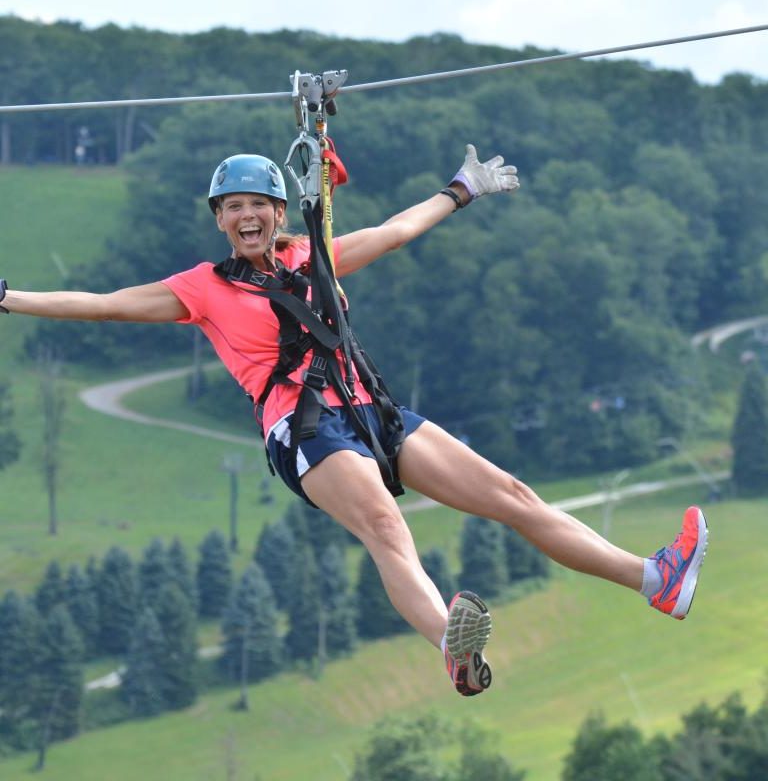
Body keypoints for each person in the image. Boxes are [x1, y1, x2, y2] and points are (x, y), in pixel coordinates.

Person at [0, 145, 708, 697]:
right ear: (218, 218)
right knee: (385, 527)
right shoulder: (203, 289)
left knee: (514, 497)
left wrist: (460, 190)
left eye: (258, 204)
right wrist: (10, 298)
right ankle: (452, 647)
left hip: (373, 410)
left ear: (279, 211)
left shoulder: (313, 257)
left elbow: (394, 233)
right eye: (233, 206)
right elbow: (103, 304)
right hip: (306, 428)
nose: (247, 216)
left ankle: (656, 580)